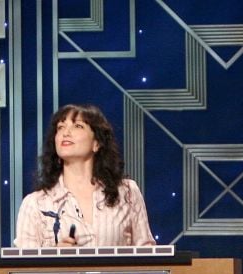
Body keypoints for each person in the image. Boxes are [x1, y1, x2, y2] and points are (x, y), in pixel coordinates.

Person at [14, 103, 155, 248]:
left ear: (97, 143)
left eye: (78, 126)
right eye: (60, 127)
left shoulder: (127, 192)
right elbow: (24, 261)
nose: (66, 132)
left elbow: (147, 253)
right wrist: (54, 256)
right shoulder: (35, 204)